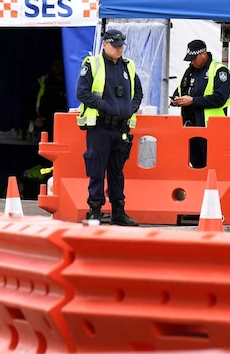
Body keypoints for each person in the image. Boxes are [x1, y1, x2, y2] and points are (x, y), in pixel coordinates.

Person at [75, 29, 144, 226]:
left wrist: (131, 107)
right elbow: (82, 93)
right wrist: (106, 107)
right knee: (97, 169)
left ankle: (118, 212)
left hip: (121, 128)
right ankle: (95, 211)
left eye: (122, 45)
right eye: (115, 46)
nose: (119, 49)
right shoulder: (93, 64)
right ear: (105, 45)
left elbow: (138, 92)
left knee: (117, 171)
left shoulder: (128, 66)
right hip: (100, 126)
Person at [170, 39, 230, 169]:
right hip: (190, 128)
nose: (191, 62)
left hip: (211, 129)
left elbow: (220, 98)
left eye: (194, 58)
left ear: (203, 54)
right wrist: (176, 99)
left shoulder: (219, 71)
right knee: (195, 166)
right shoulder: (190, 70)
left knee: (212, 167)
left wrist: (193, 101)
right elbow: (181, 89)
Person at [28, 56, 68, 142]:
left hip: (65, 124)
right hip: (44, 125)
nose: (57, 67)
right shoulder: (42, 82)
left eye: (60, 64)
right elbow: (28, 103)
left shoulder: (71, 82)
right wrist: (35, 118)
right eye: (55, 64)